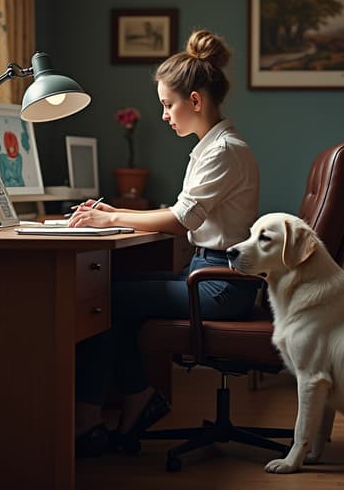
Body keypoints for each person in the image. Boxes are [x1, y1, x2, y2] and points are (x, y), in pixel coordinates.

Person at [70, 29, 261, 457]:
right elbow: (184, 214)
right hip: (212, 275)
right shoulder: (210, 148)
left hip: (221, 286)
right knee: (108, 294)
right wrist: (111, 216)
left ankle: (99, 414)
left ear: (195, 100)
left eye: (167, 104)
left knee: (105, 300)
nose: (163, 115)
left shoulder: (224, 151)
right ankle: (131, 400)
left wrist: (111, 216)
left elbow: (180, 220)